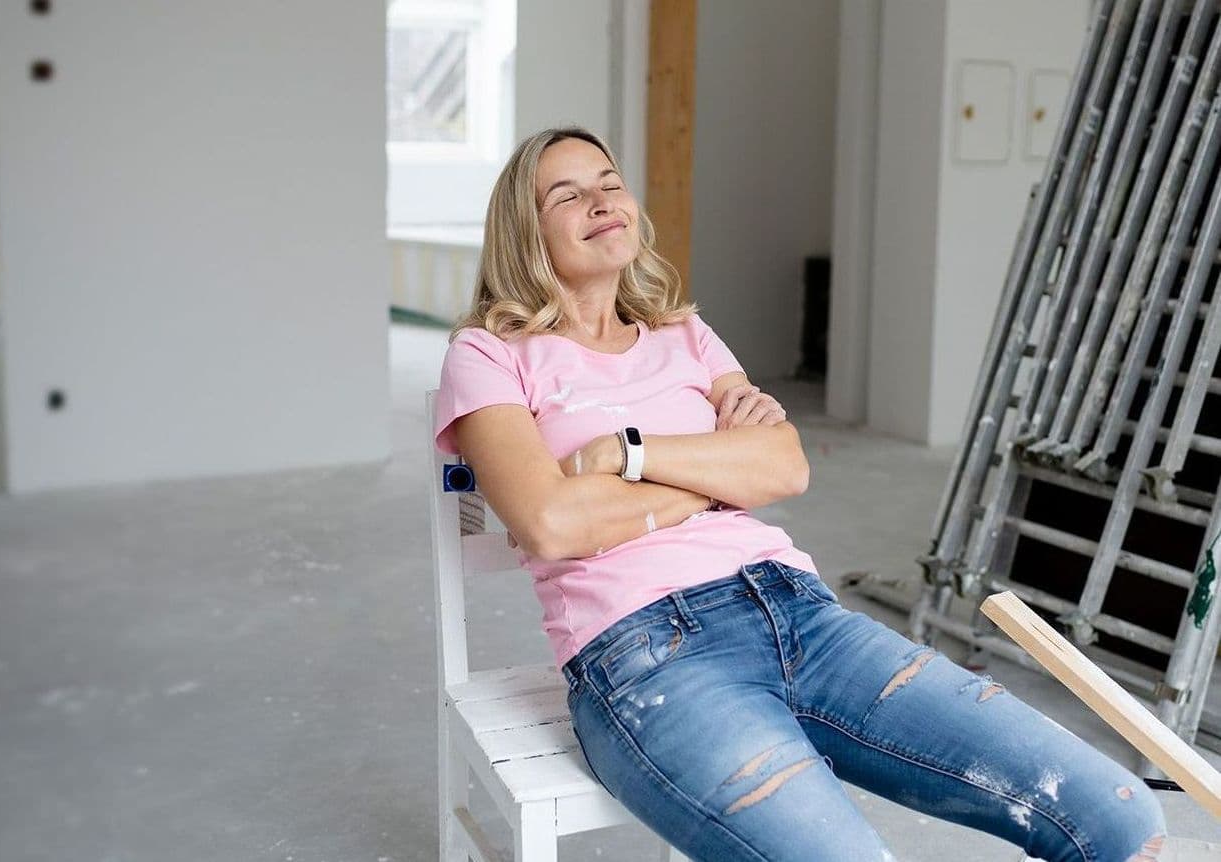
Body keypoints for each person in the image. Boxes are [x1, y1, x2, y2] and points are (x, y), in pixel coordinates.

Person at [431, 126, 1166, 862]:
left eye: (609, 183)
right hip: (645, 655)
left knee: (1116, 816)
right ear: (525, 232)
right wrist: (715, 482)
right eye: (567, 195)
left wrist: (628, 455)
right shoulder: (488, 354)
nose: (600, 202)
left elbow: (783, 468)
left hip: (800, 611)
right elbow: (551, 522)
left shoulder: (684, 335)